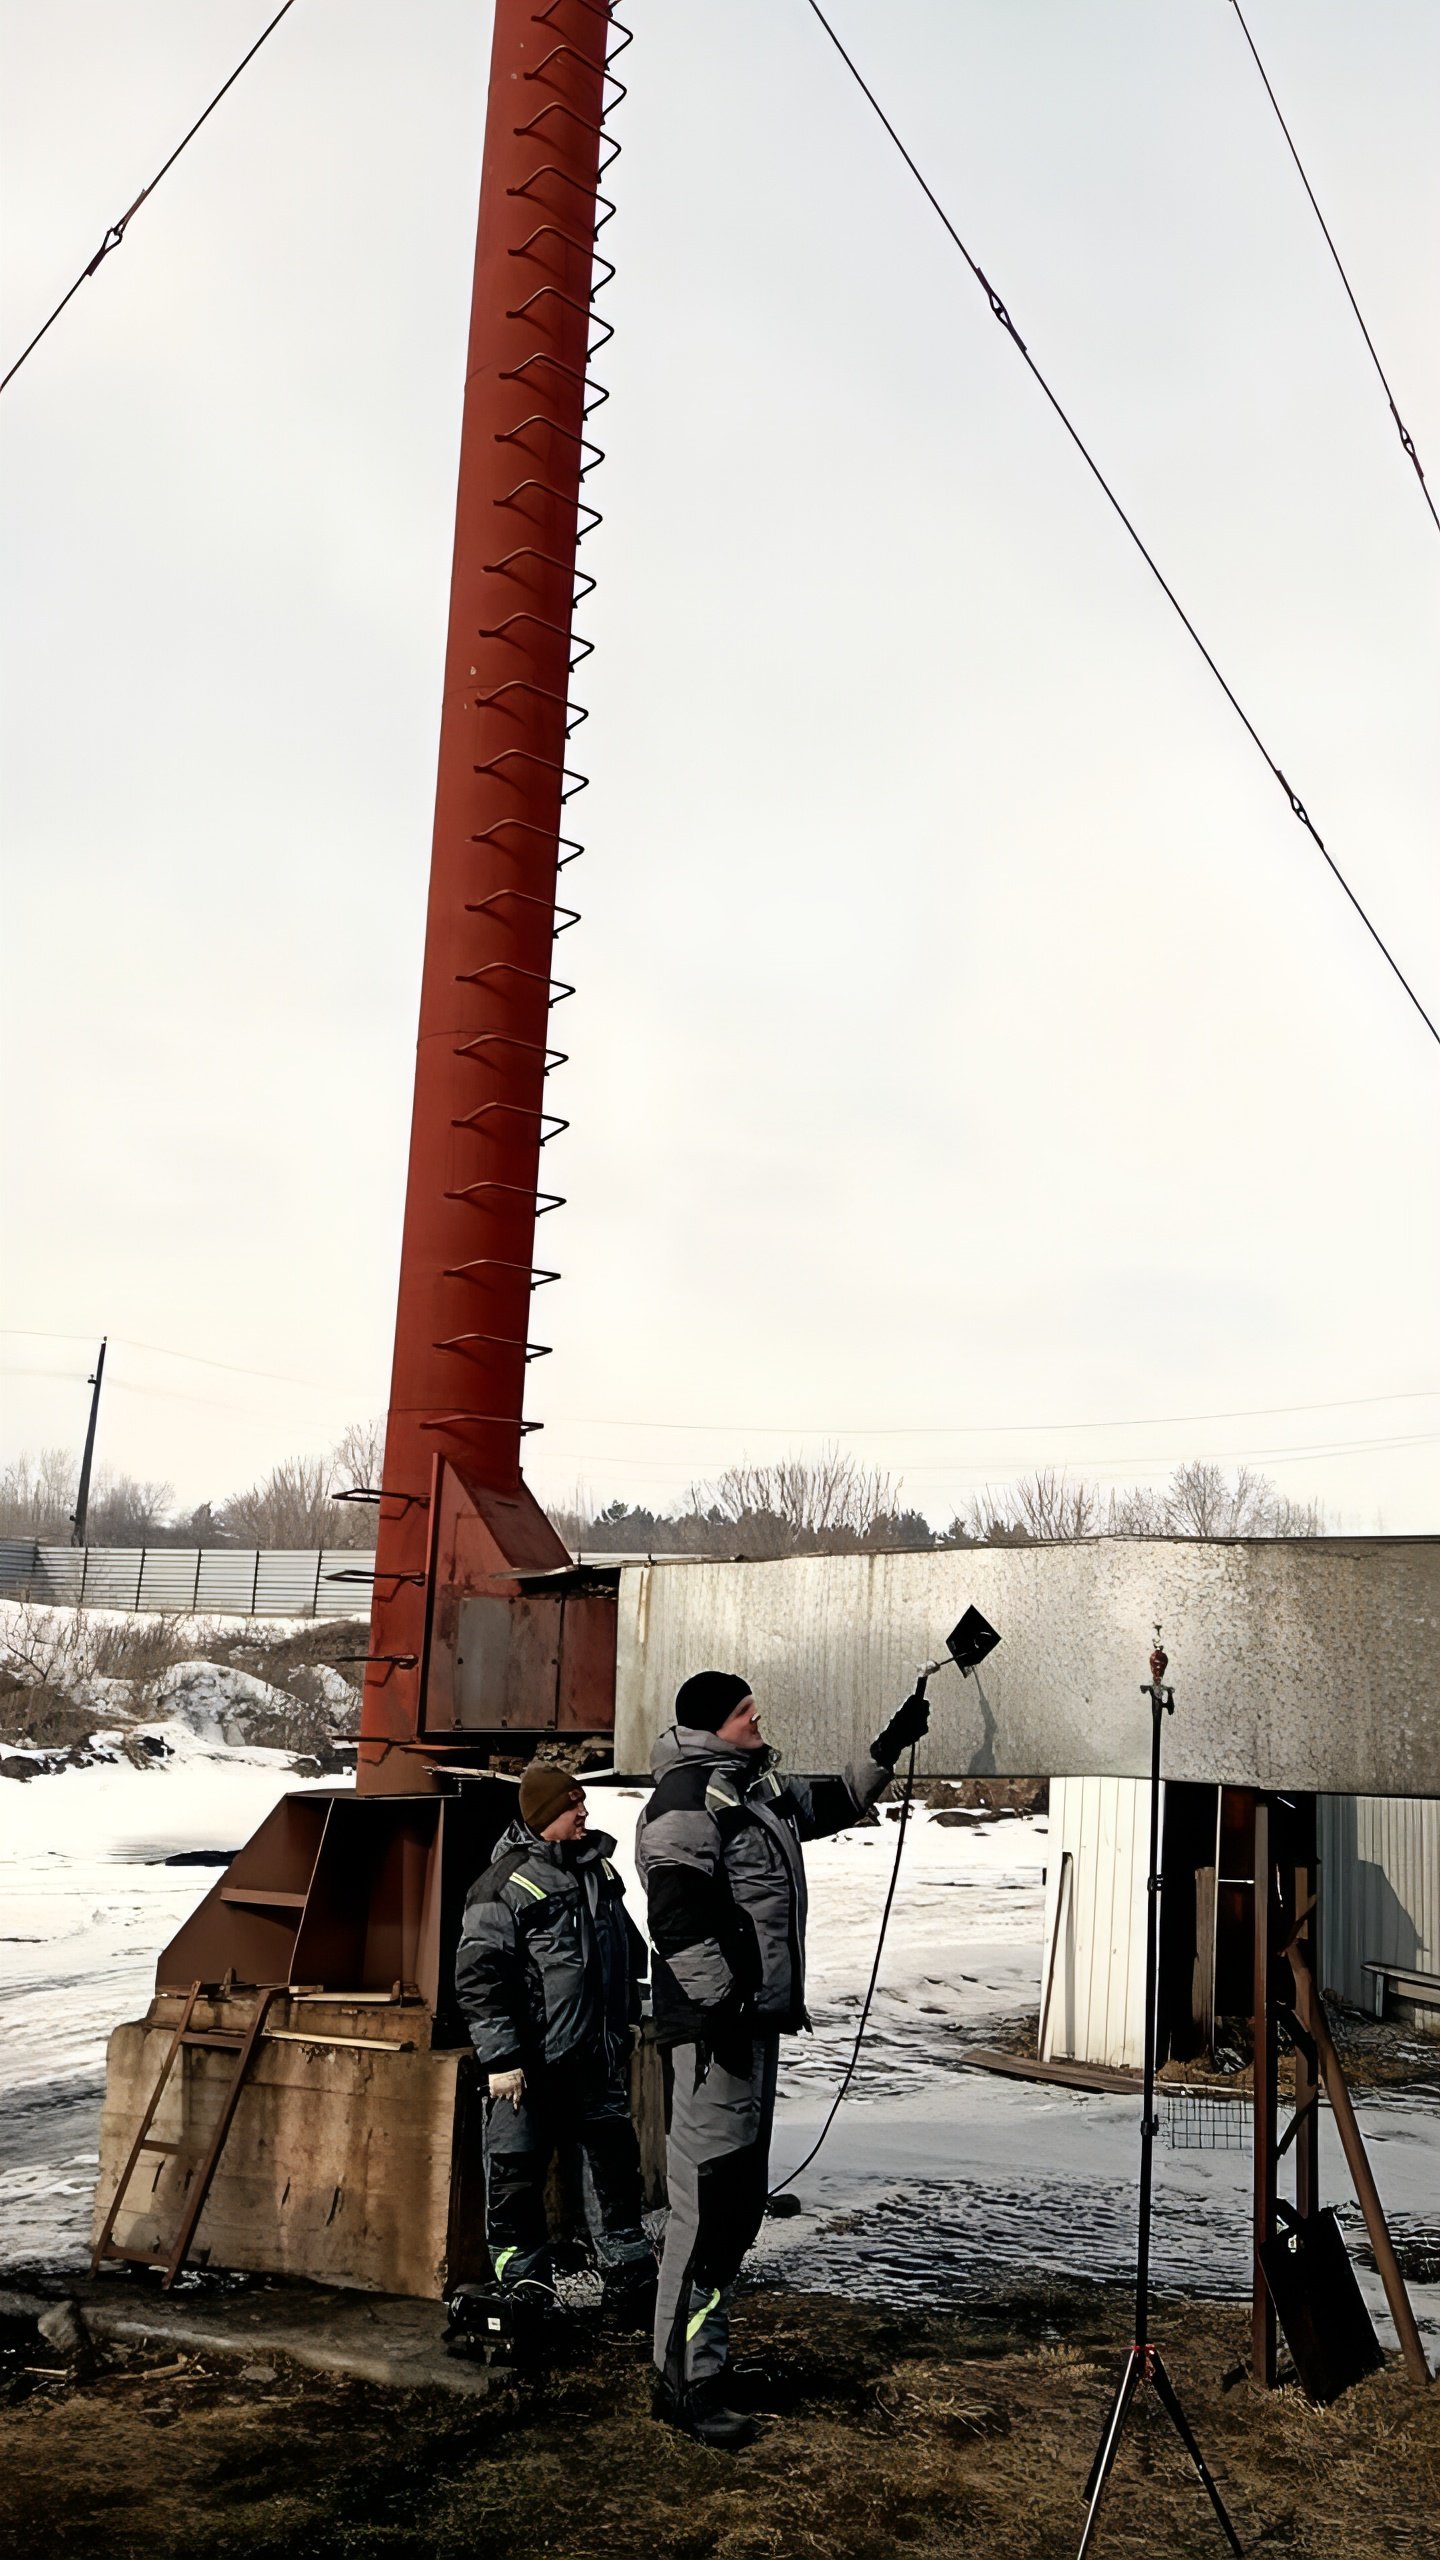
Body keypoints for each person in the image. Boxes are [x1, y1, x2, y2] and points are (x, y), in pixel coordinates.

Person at [635, 1668, 930, 2447]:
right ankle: (680, 2382)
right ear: (710, 1724)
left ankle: (707, 2364)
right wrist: (724, 2008)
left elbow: (831, 1801)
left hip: (749, 2029)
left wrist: (888, 1748)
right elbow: (675, 1919)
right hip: (714, 2038)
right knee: (706, 2208)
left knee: (733, 2208)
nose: (758, 1717)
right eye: (744, 1711)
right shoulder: (685, 1803)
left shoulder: (750, 1790)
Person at [454, 1761, 656, 2358]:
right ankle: (526, 2289)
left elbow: (624, 1951)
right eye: (574, 1808)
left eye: (583, 1805)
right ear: (545, 1818)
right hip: (530, 2068)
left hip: (595, 2058)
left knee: (617, 2174)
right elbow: (479, 1979)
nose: (585, 1814)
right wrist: (501, 2059)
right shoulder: (504, 1885)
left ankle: (630, 2283)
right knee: (515, 2179)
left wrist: (624, 2021)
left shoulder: (597, 1873)